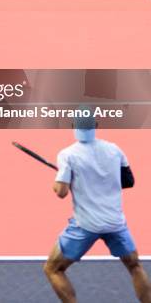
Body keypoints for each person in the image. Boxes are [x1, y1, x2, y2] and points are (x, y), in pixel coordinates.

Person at [44, 114, 151, 303]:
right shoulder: (114, 150)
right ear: (96, 125)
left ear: (73, 126)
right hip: (115, 224)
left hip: (85, 226)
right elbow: (128, 181)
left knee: (53, 269)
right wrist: (98, 179)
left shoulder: (67, 154)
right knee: (135, 266)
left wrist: (62, 182)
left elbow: (61, 192)